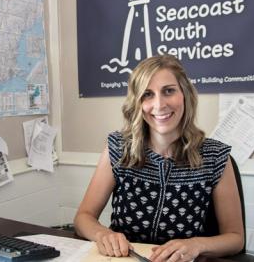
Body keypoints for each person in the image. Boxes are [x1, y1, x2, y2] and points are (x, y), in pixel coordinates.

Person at [74, 55, 244, 262]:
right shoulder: (118, 147)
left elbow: (235, 238)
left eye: (169, 91)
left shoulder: (216, 157)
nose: (159, 104)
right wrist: (103, 234)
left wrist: (196, 245)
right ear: (137, 102)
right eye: (147, 94)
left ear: (185, 94)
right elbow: (83, 217)